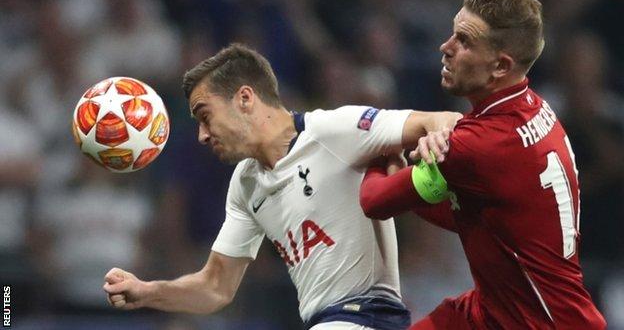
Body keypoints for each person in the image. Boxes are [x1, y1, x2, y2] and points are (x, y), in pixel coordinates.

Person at [102, 43, 461, 329]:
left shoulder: (334, 131)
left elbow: (443, 118)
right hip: (326, 321)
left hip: (369, 315)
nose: (202, 135)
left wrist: (438, 138)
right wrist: (146, 292)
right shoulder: (245, 183)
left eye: (205, 116)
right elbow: (215, 288)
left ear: (245, 98)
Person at [359, 0, 607, 330]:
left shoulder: (477, 145)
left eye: (464, 41)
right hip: (500, 307)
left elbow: (373, 200)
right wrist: (415, 175)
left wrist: (385, 142)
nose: (445, 48)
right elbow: (472, 215)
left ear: (500, 66)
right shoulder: (536, 107)